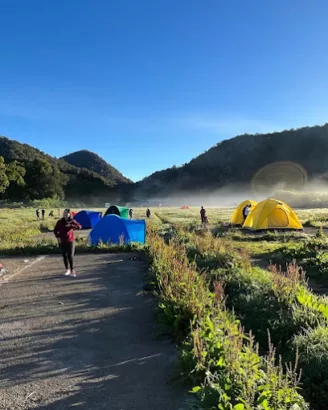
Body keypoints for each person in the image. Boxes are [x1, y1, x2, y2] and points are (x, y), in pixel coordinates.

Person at [54, 209, 82, 278]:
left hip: (70, 241)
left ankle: (72, 270)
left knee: (70, 255)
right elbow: (55, 230)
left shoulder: (72, 221)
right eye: (64, 213)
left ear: (69, 214)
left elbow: (79, 226)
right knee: (64, 255)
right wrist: (58, 237)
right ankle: (67, 269)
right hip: (62, 241)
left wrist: (71, 226)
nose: (65, 214)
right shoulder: (60, 222)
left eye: (67, 213)